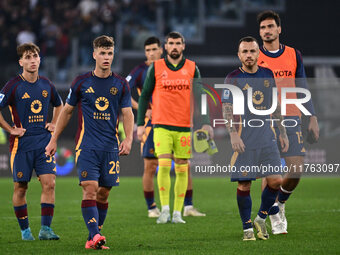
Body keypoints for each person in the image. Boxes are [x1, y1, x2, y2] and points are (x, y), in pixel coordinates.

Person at [45, 35, 134, 249]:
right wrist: (53, 139)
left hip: (110, 146)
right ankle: (95, 235)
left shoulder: (121, 84)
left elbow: (128, 113)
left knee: (104, 192)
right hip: (86, 145)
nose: (106, 57)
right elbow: (66, 112)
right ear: (94, 54)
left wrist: (129, 138)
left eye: (110, 53)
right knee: (90, 188)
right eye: (102, 53)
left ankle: (92, 238)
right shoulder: (81, 82)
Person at [137, 31, 213, 224]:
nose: (174, 47)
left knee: (181, 169)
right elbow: (145, 96)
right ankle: (164, 210)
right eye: (171, 43)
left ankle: (178, 213)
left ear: (183, 46)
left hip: (184, 126)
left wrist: (205, 121)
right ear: (166, 47)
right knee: (162, 165)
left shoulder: (192, 68)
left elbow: (201, 96)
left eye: (178, 43)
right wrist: (139, 124)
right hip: (161, 125)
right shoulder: (155, 68)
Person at [257, 10, 319, 234]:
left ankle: (279, 204)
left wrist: (312, 117)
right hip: (265, 120)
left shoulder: (294, 54)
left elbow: (302, 86)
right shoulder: (255, 57)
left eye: (270, 26)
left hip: (292, 117)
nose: (266, 31)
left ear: (279, 29)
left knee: (295, 172)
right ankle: (269, 217)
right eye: (263, 28)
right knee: (271, 174)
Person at [222, 36, 289, 241]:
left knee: (276, 180)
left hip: (267, 137)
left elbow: (275, 105)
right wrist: (233, 134)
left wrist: (283, 131)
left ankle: (261, 218)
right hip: (244, 139)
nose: (249, 55)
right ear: (239, 55)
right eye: (245, 52)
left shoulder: (267, 74)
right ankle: (247, 228)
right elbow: (227, 109)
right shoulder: (232, 78)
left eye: (252, 51)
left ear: (258, 53)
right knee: (244, 185)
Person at [0, 42, 63, 241]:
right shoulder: (13, 85)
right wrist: (11, 129)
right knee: (21, 187)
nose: (32, 60)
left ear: (39, 59)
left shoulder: (47, 84)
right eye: (27, 57)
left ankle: (45, 229)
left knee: (50, 183)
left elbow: (59, 105)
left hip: (44, 143)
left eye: (35, 56)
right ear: (21, 62)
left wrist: (53, 123)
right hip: (21, 145)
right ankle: (25, 231)